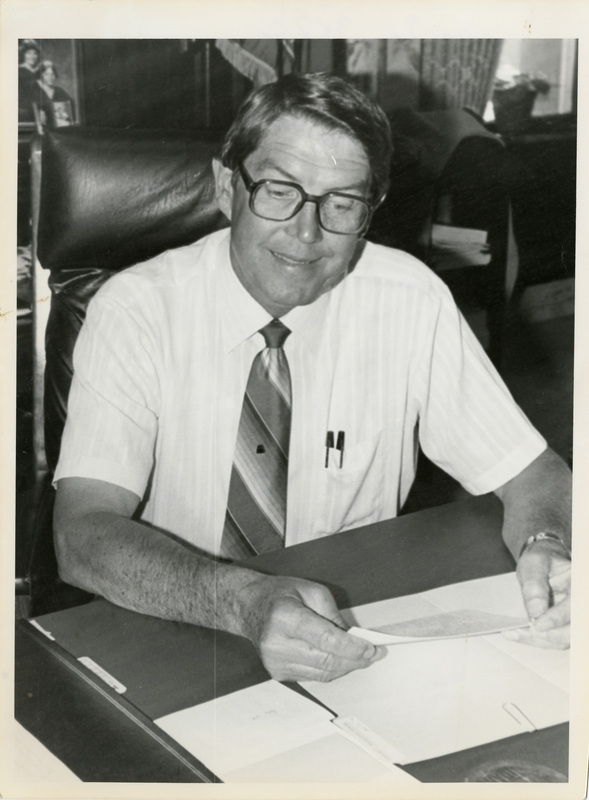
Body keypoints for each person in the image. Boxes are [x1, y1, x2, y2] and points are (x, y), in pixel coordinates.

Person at [53, 73, 572, 684]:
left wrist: (548, 542)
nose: (307, 232)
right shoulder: (137, 308)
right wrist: (241, 601)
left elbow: (533, 474)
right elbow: (81, 533)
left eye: (341, 204)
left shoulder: (408, 298)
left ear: (369, 211)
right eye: (278, 191)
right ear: (227, 187)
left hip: (353, 630)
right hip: (180, 622)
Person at [34, 60, 75, 130]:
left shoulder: (59, 91)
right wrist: (38, 114)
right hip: (41, 128)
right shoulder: (36, 91)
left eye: (52, 74)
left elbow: (71, 106)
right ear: (41, 76)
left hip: (60, 128)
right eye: (46, 74)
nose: (50, 77)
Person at [18, 41, 41, 122]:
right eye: (28, 53)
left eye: (35, 53)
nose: (32, 56)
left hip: (38, 111)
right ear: (23, 54)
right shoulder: (18, 71)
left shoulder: (38, 72)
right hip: (24, 112)